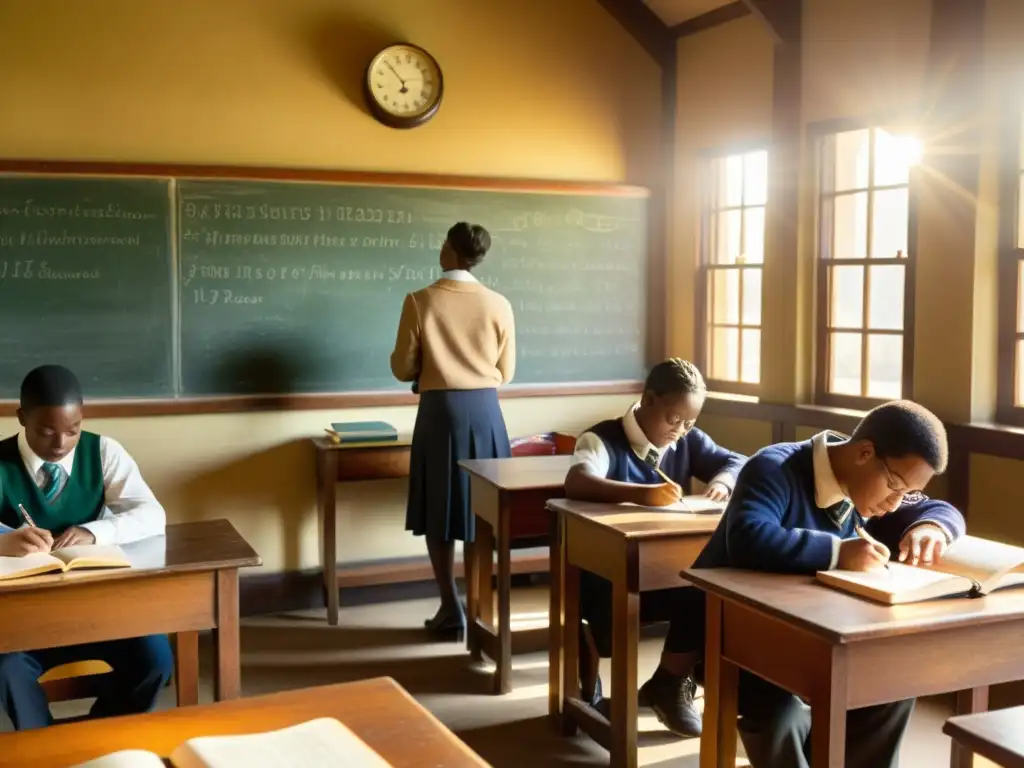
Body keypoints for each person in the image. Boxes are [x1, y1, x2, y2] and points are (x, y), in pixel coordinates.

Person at [645, 400, 965, 767]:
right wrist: (837, 553)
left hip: (824, 634)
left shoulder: (874, 491)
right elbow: (749, 536)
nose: (894, 505)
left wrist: (932, 526)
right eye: (894, 486)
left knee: (889, 688)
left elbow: (938, 509)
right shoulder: (774, 466)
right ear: (865, 452)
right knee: (781, 713)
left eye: (904, 494)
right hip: (745, 640)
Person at [564, 358, 745, 734]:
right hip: (604, 575)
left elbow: (735, 460)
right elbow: (578, 482)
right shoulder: (601, 439)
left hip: (663, 571)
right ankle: (605, 679)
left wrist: (725, 481)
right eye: (673, 419)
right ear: (647, 400)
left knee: (709, 591)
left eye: (689, 423)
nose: (679, 430)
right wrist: (644, 495)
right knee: (619, 611)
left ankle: (669, 680)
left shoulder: (687, 440)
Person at [0, 365, 172, 730]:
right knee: (6, 669)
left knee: (155, 658)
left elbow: (153, 515)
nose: (60, 444)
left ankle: (99, 736)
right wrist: (2, 542)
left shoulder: (104, 451)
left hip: (99, 608)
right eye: (47, 431)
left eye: (72, 430)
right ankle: (45, 748)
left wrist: (96, 532)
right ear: (21, 418)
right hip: (22, 619)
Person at [391, 222, 515, 640]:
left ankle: (451, 607)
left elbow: (402, 368)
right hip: (485, 412)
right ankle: (481, 608)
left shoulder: (420, 300)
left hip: (440, 413)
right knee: (483, 513)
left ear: (449, 250)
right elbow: (506, 371)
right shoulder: (499, 303)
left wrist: (430, 367)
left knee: (439, 511)